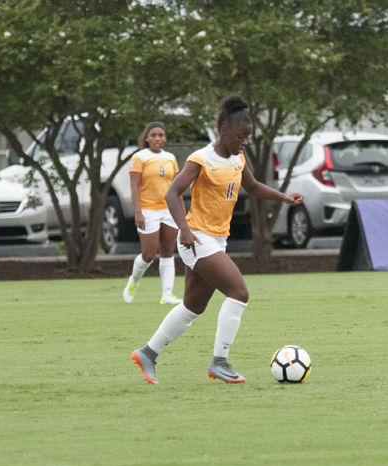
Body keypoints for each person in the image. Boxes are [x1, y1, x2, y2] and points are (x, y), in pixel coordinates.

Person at [130, 95, 304, 384]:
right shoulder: (201, 159)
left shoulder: (238, 158)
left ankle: (147, 353)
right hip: (196, 239)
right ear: (225, 131)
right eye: (241, 135)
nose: (244, 141)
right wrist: (183, 229)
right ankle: (219, 362)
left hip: (216, 239)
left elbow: (253, 186)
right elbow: (172, 193)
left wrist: (284, 197)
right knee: (239, 293)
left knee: (191, 307)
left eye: (248, 136)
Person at [122, 122, 183, 305]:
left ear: (165, 138)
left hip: (168, 210)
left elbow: (176, 187)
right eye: (154, 135)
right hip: (148, 210)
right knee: (148, 254)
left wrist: (181, 213)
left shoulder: (171, 157)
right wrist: (138, 212)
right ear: (147, 137)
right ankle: (134, 280)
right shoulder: (139, 157)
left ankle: (167, 294)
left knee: (167, 252)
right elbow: (134, 186)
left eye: (161, 135)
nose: (158, 138)